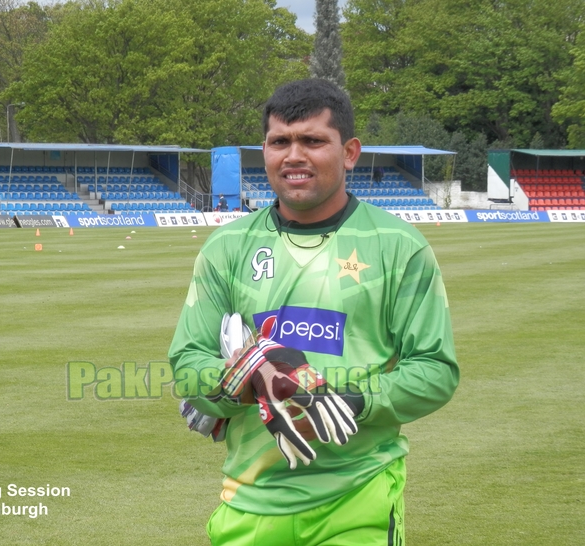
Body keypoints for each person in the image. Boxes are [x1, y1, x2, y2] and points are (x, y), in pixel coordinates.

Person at [169, 79, 459, 545]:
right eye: (280, 142)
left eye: (312, 141)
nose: (294, 155)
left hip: (358, 496)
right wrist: (246, 385)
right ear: (263, 151)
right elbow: (188, 365)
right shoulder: (227, 246)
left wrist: (354, 400)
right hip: (250, 501)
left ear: (349, 152)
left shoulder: (400, 245)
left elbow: (434, 370)